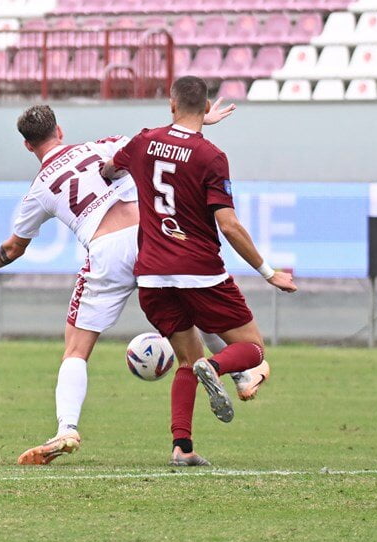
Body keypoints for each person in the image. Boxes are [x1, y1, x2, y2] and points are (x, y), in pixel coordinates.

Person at [0, 102, 255, 466]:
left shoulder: (38, 189)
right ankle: (238, 375)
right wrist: (198, 121)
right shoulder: (101, 146)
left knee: (76, 350)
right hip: (150, 238)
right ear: (61, 130)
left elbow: (14, 247)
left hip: (106, 251)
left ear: (27, 146)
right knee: (194, 305)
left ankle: (67, 428)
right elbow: (159, 143)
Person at [103, 76, 298, 466]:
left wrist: (163, 142)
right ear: (207, 109)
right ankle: (218, 365)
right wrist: (268, 272)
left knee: (186, 360)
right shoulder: (211, 156)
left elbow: (109, 171)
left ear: (172, 106)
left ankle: (183, 449)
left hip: (152, 278)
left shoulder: (143, 142)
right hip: (200, 274)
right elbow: (228, 225)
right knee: (254, 349)